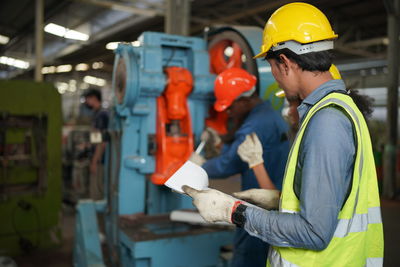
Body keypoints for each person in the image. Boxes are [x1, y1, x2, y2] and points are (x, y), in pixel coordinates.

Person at [183, 3, 383, 267]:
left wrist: (234, 212)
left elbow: (314, 232)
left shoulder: (327, 122)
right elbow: (330, 199)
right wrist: (276, 201)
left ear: (285, 63)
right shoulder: (332, 111)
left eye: (273, 68)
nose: (275, 78)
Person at [192, 67, 290, 267]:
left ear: (244, 100)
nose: (228, 112)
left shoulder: (254, 126)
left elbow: (229, 164)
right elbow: (238, 142)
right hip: (276, 195)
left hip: (259, 204)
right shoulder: (267, 113)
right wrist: (220, 140)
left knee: (247, 256)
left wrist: (202, 166)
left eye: (230, 107)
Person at [83, 88, 109, 200]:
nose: (86, 102)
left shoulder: (101, 115)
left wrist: (94, 161)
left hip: (100, 160)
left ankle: (99, 217)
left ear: (94, 98)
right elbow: (96, 139)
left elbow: (101, 142)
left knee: (97, 191)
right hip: (97, 157)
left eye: (88, 99)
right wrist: (88, 145)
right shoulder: (97, 114)